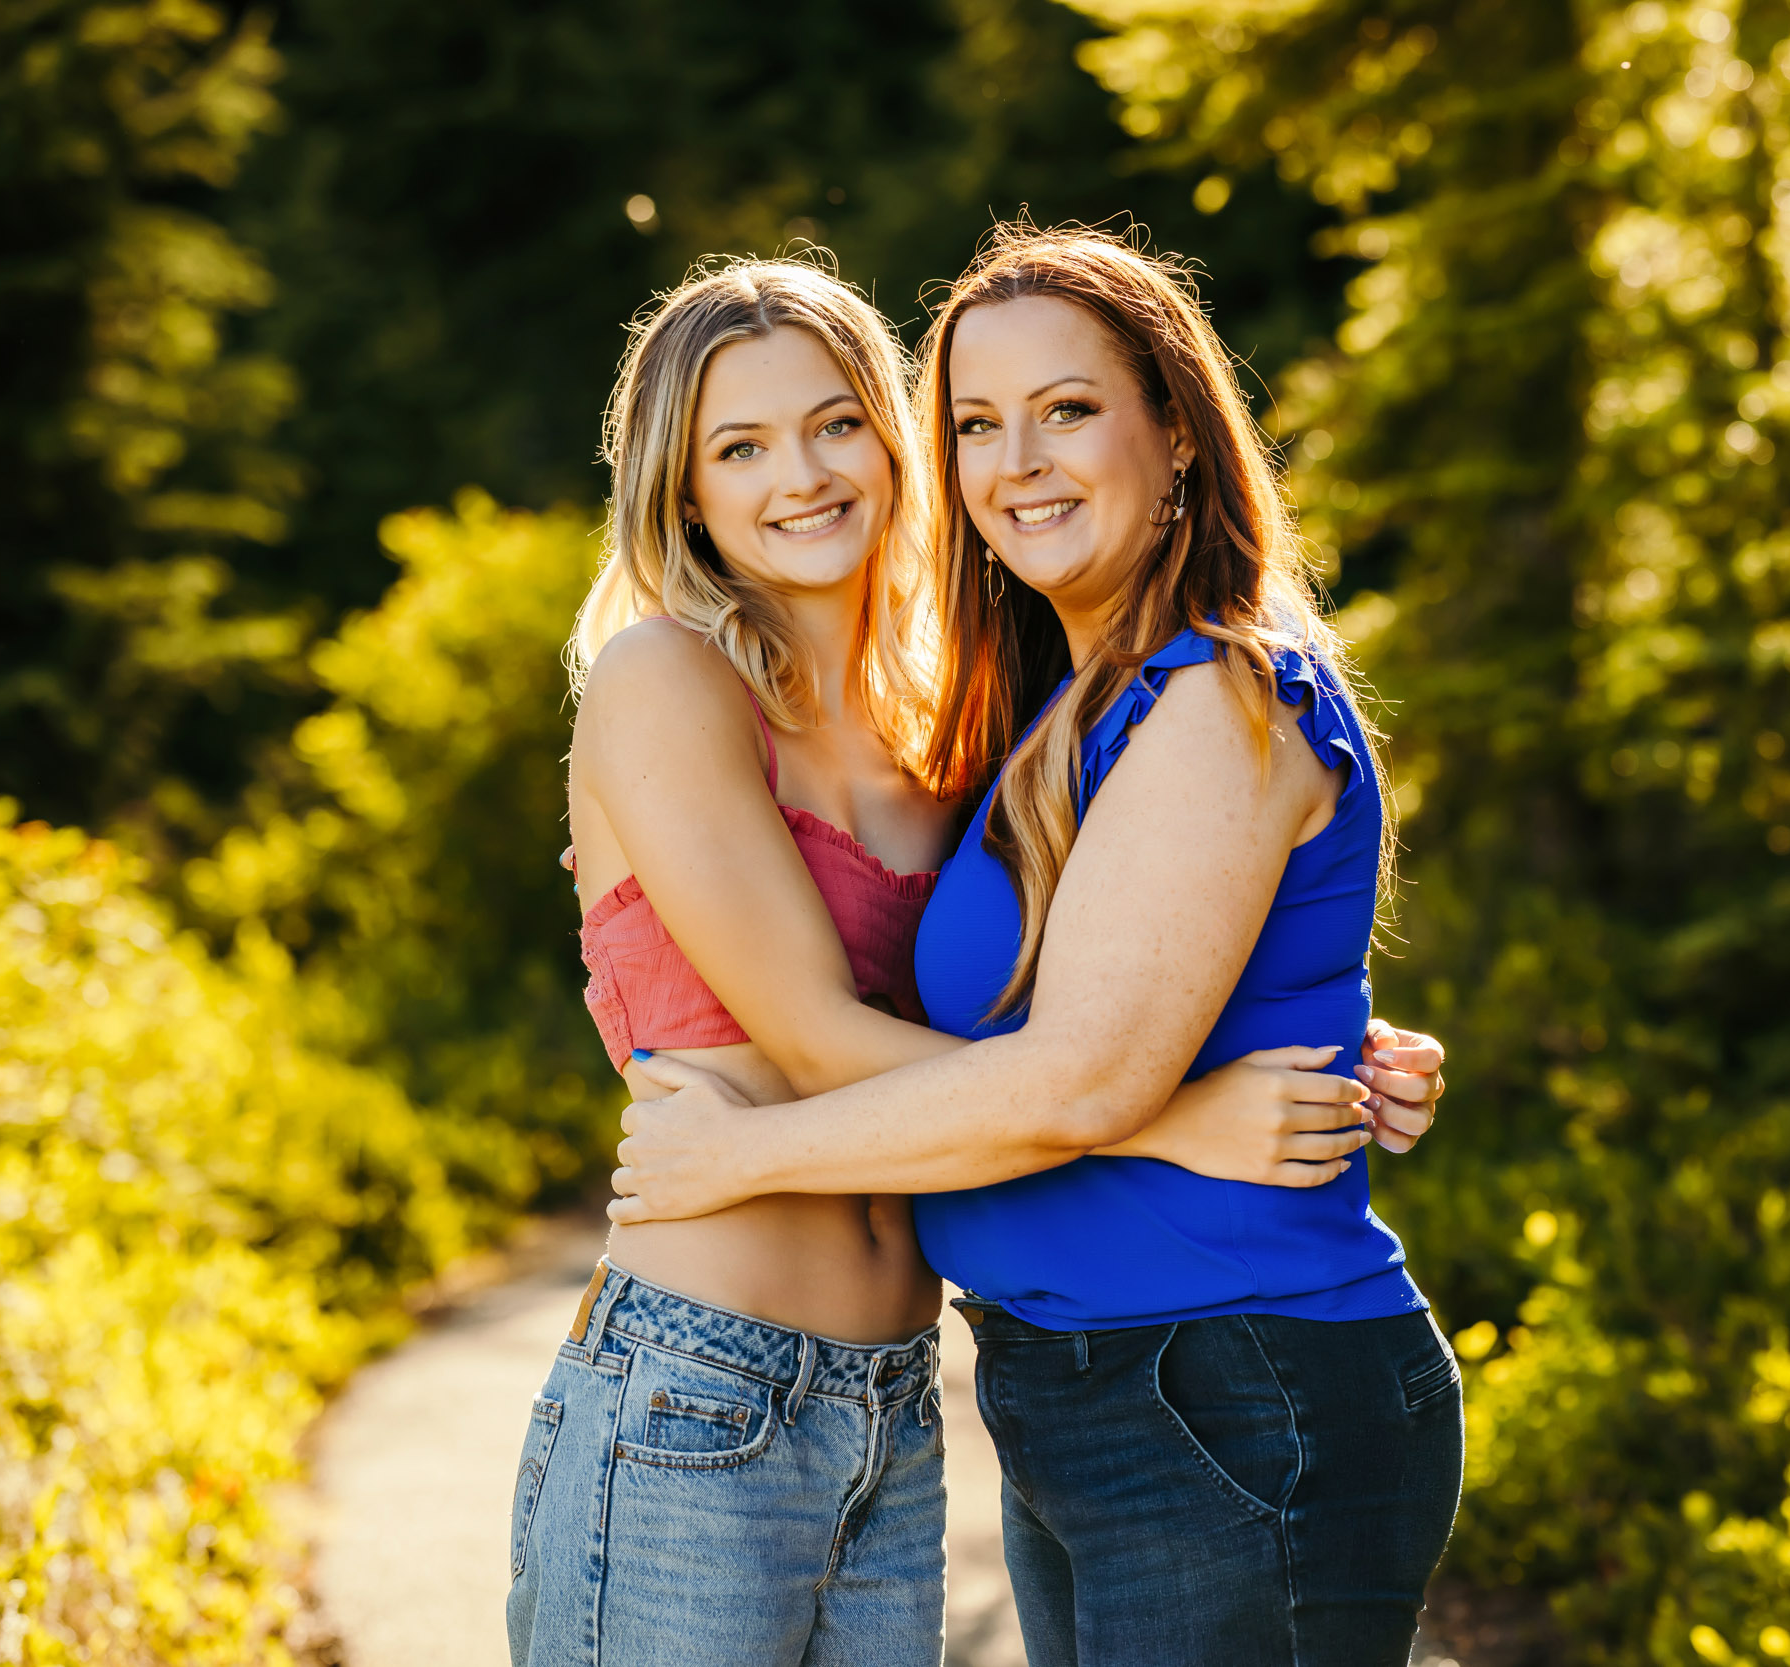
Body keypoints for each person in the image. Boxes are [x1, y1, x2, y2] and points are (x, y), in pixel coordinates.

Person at [508, 256, 1448, 1667]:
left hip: (901, 1398)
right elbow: (833, 1041)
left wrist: (1321, 1052)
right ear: (681, 490)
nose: (801, 475)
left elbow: (1100, 989)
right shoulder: (667, 678)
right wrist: (1179, 1115)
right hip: (701, 1381)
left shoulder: (960, 726)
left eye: (836, 425)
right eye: (740, 447)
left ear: (893, 447)